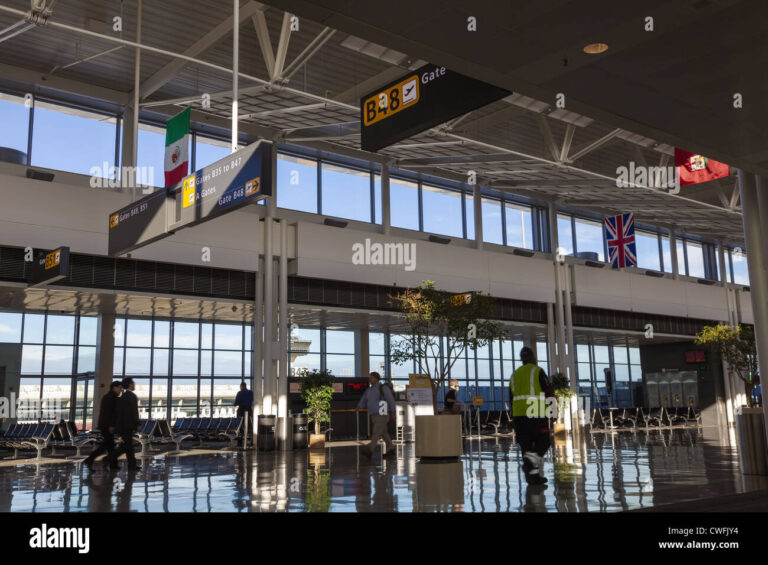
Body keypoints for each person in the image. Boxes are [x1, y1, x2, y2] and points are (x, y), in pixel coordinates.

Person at [510, 346, 554, 485]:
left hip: (519, 415)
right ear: (533, 357)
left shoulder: (514, 374)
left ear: (521, 358)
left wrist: (514, 415)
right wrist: (552, 411)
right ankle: (529, 464)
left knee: (526, 446)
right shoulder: (538, 371)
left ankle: (533, 478)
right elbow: (548, 392)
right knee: (544, 442)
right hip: (535, 412)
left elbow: (510, 397)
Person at [83, 380, 122, 471]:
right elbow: (110, 413)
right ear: (114, 388)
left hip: (105, 425)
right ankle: (90, 459)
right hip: (108, 426)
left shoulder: (108, 397)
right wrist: (112, 425)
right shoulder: (111, 398)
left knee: (110, 446)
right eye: (119, 387)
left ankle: (113, 464)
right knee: (106, 446)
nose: (120, 390)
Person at [105, 377, 141, 471]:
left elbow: (117, 413)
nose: (134, 385)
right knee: (126, 446)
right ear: (129, 385)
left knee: (129, 446)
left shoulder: (122, 397)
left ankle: (132, 465)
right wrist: (137, 423)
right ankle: (109, 458)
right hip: (128, 425)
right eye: (133, 383)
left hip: (121, 425)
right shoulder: (132, 396)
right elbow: (134, 411)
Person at [357, 372, 396, 458]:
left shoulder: (383, 388)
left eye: (371, 378)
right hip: (374, 415)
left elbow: (390, 399)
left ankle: (370, 449)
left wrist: (393, 412)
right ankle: (391, 448)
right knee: (383, 432)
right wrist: (359, 406)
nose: (370, 380)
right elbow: (364, 399)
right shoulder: (369, 390)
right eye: (370, 378)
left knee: (376, 432)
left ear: (376, 379)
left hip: (382, 414)